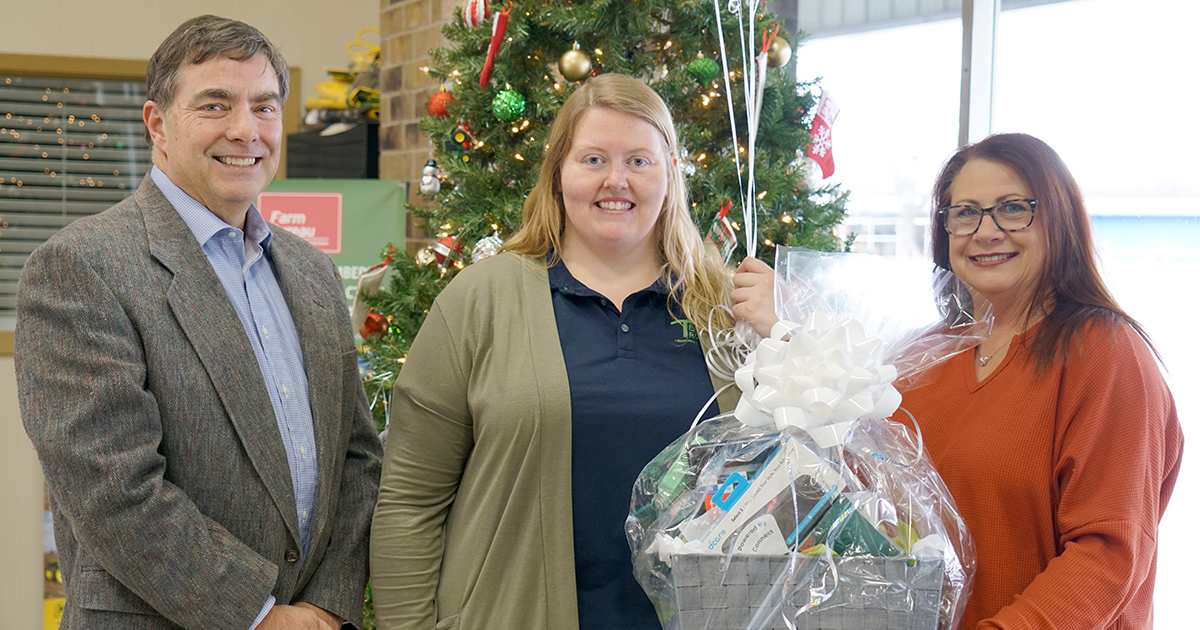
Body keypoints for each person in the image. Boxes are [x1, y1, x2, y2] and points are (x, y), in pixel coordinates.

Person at [15, 15, 383, 630]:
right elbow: (116, 492)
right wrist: (263, 617)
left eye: (265, 107)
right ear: (158, 124)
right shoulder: (82, 267)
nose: (247, 130)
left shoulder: (312, 272)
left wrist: (326, 606)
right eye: (216, 104)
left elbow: (356, 458)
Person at [369, 74, 774, 630]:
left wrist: (785, 335)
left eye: (639, 161)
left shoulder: (729, 312)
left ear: (671, 174)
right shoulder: (480, 300)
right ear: (558, 173)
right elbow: (410, 502)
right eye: (592, 160)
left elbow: (804, 476)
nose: (616, 181)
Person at [896, 133, 1183, 628]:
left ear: (1059, 219)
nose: (984, 232)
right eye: (964, 212)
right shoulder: (923, 356)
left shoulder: (1106, 354)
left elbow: (1108, 554)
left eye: (1012, 208)